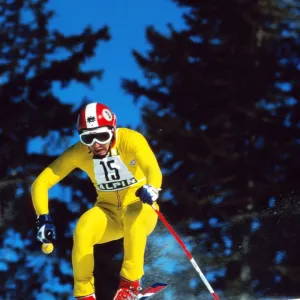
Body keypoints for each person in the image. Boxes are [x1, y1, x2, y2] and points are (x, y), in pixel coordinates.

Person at [31, 102, 162, 300]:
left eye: (102, 136)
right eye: (88, 138)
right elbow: (41, 183)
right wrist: (43, 218)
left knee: (133, 217)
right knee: (83, 228)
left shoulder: (131, 140)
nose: (96, 144)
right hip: (108, 213)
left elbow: (153, 168)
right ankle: (85, 295)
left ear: (113, 129)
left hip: (140, 209)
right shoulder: (79, 152)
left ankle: (130, 285)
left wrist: (152, 188)